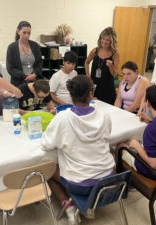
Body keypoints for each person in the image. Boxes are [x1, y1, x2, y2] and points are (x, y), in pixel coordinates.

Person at [41, 76, 115, 224]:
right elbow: (107, 136)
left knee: (47, 170)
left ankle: (69, 207)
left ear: (71, 95)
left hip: (79, 184)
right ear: (91, 94)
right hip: (108, 179)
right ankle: (89, 205)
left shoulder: (62, 118)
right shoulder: (104, 115)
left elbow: (46, 144)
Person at [118, 85, 156, 179]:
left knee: (121, 147)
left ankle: (126, 182)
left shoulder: (153, 129)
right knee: (134, 144)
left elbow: (154, 164)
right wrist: (151, 121)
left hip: (155, 172)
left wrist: (136, 145)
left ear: (148, 103)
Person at [85, 27, 120, 105]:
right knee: (93, 107)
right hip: (94, 85)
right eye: (103, 39)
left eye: (107, 40)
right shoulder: (95, 51)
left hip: (107, 87)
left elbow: (114, 74)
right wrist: (88, 77)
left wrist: (111, 66)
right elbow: (86, 62)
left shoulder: (115, 53)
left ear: (112, 41)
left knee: (107, 109)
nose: (104, 41)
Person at [6, 21, 43, 86]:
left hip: (34, 81)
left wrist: (35, 74)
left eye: (29, 33)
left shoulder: (35, 46)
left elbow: (39, 63)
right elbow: (10, 68)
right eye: (24, 33)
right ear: (18, 31)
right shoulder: (12, 47)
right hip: (19, 82)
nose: (27, 35)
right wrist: (24, 76)